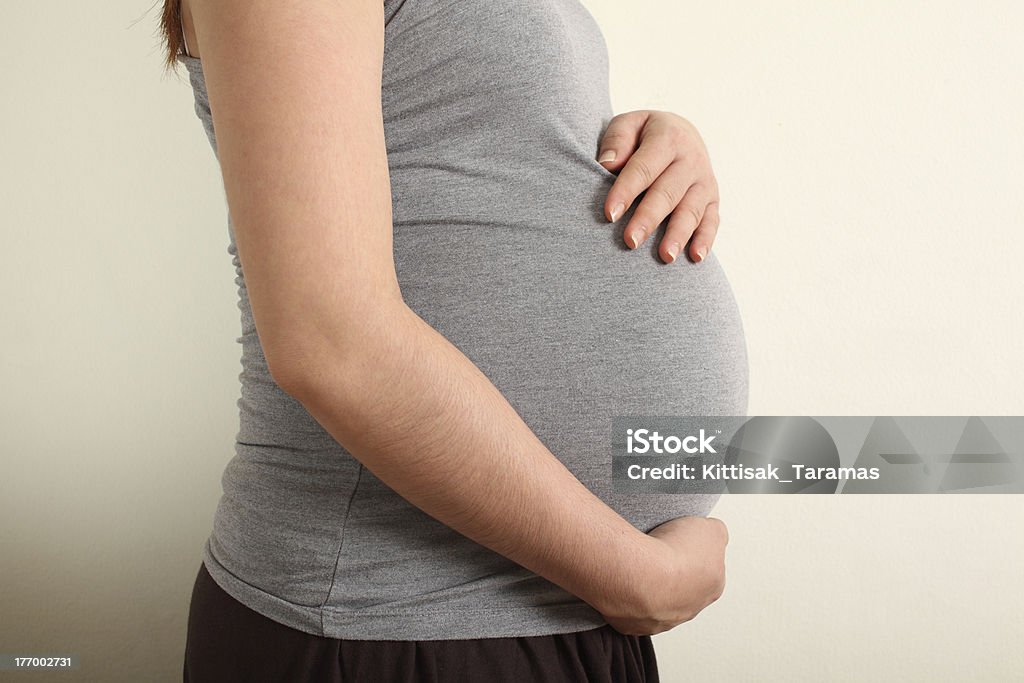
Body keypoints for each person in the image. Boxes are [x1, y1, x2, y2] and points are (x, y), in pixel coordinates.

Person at [161, 0, 748, 680]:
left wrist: (652, 144)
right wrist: (632, 574)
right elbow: (328, 341)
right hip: (395, 617)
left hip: (560, 605)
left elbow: (482, 142)